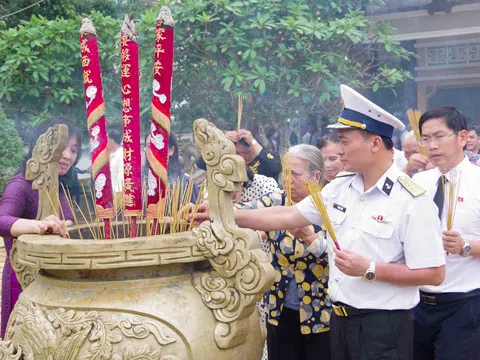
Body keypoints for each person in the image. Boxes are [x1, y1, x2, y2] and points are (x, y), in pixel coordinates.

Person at [194, 84, 446, 360]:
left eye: (346, 141)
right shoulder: (341, 187)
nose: (339, 150)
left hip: (383, 326)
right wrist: (226, 214)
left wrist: (370, 269)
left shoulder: (411, 200)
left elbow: (433, 274)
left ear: (375, 143)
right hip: (339, 321)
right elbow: (288, 215)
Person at [0, 116, 81, 337]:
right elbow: (1, 219)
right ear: (42, 146)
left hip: (56, 285)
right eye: (61, 148)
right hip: (24, 284)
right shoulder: (22, 185)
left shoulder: (60, 187)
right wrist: (38, 225)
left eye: (73, 150)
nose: (67, 155)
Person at [412, 107, 480, 360]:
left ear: (462, 137)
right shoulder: (417, 183)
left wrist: (465, 246)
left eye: (440, 136)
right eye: (426, 139)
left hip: (465, 304)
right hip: (418, 301)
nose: (432, 145)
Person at [196, 128, 282, 181]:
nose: (242, 157)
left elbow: (275, 168)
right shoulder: (228, 161)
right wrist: (220, 143)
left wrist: (252, 140)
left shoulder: (266, 156)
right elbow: (201, 163)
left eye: (246, 152)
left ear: (253, 147)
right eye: (237, 153)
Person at [107, 129, 123, 193]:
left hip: (117, 193)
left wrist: (118, 194)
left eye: (107, 139)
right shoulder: (111, 154)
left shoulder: (121, 154)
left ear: (112, 141)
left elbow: (121, 176)